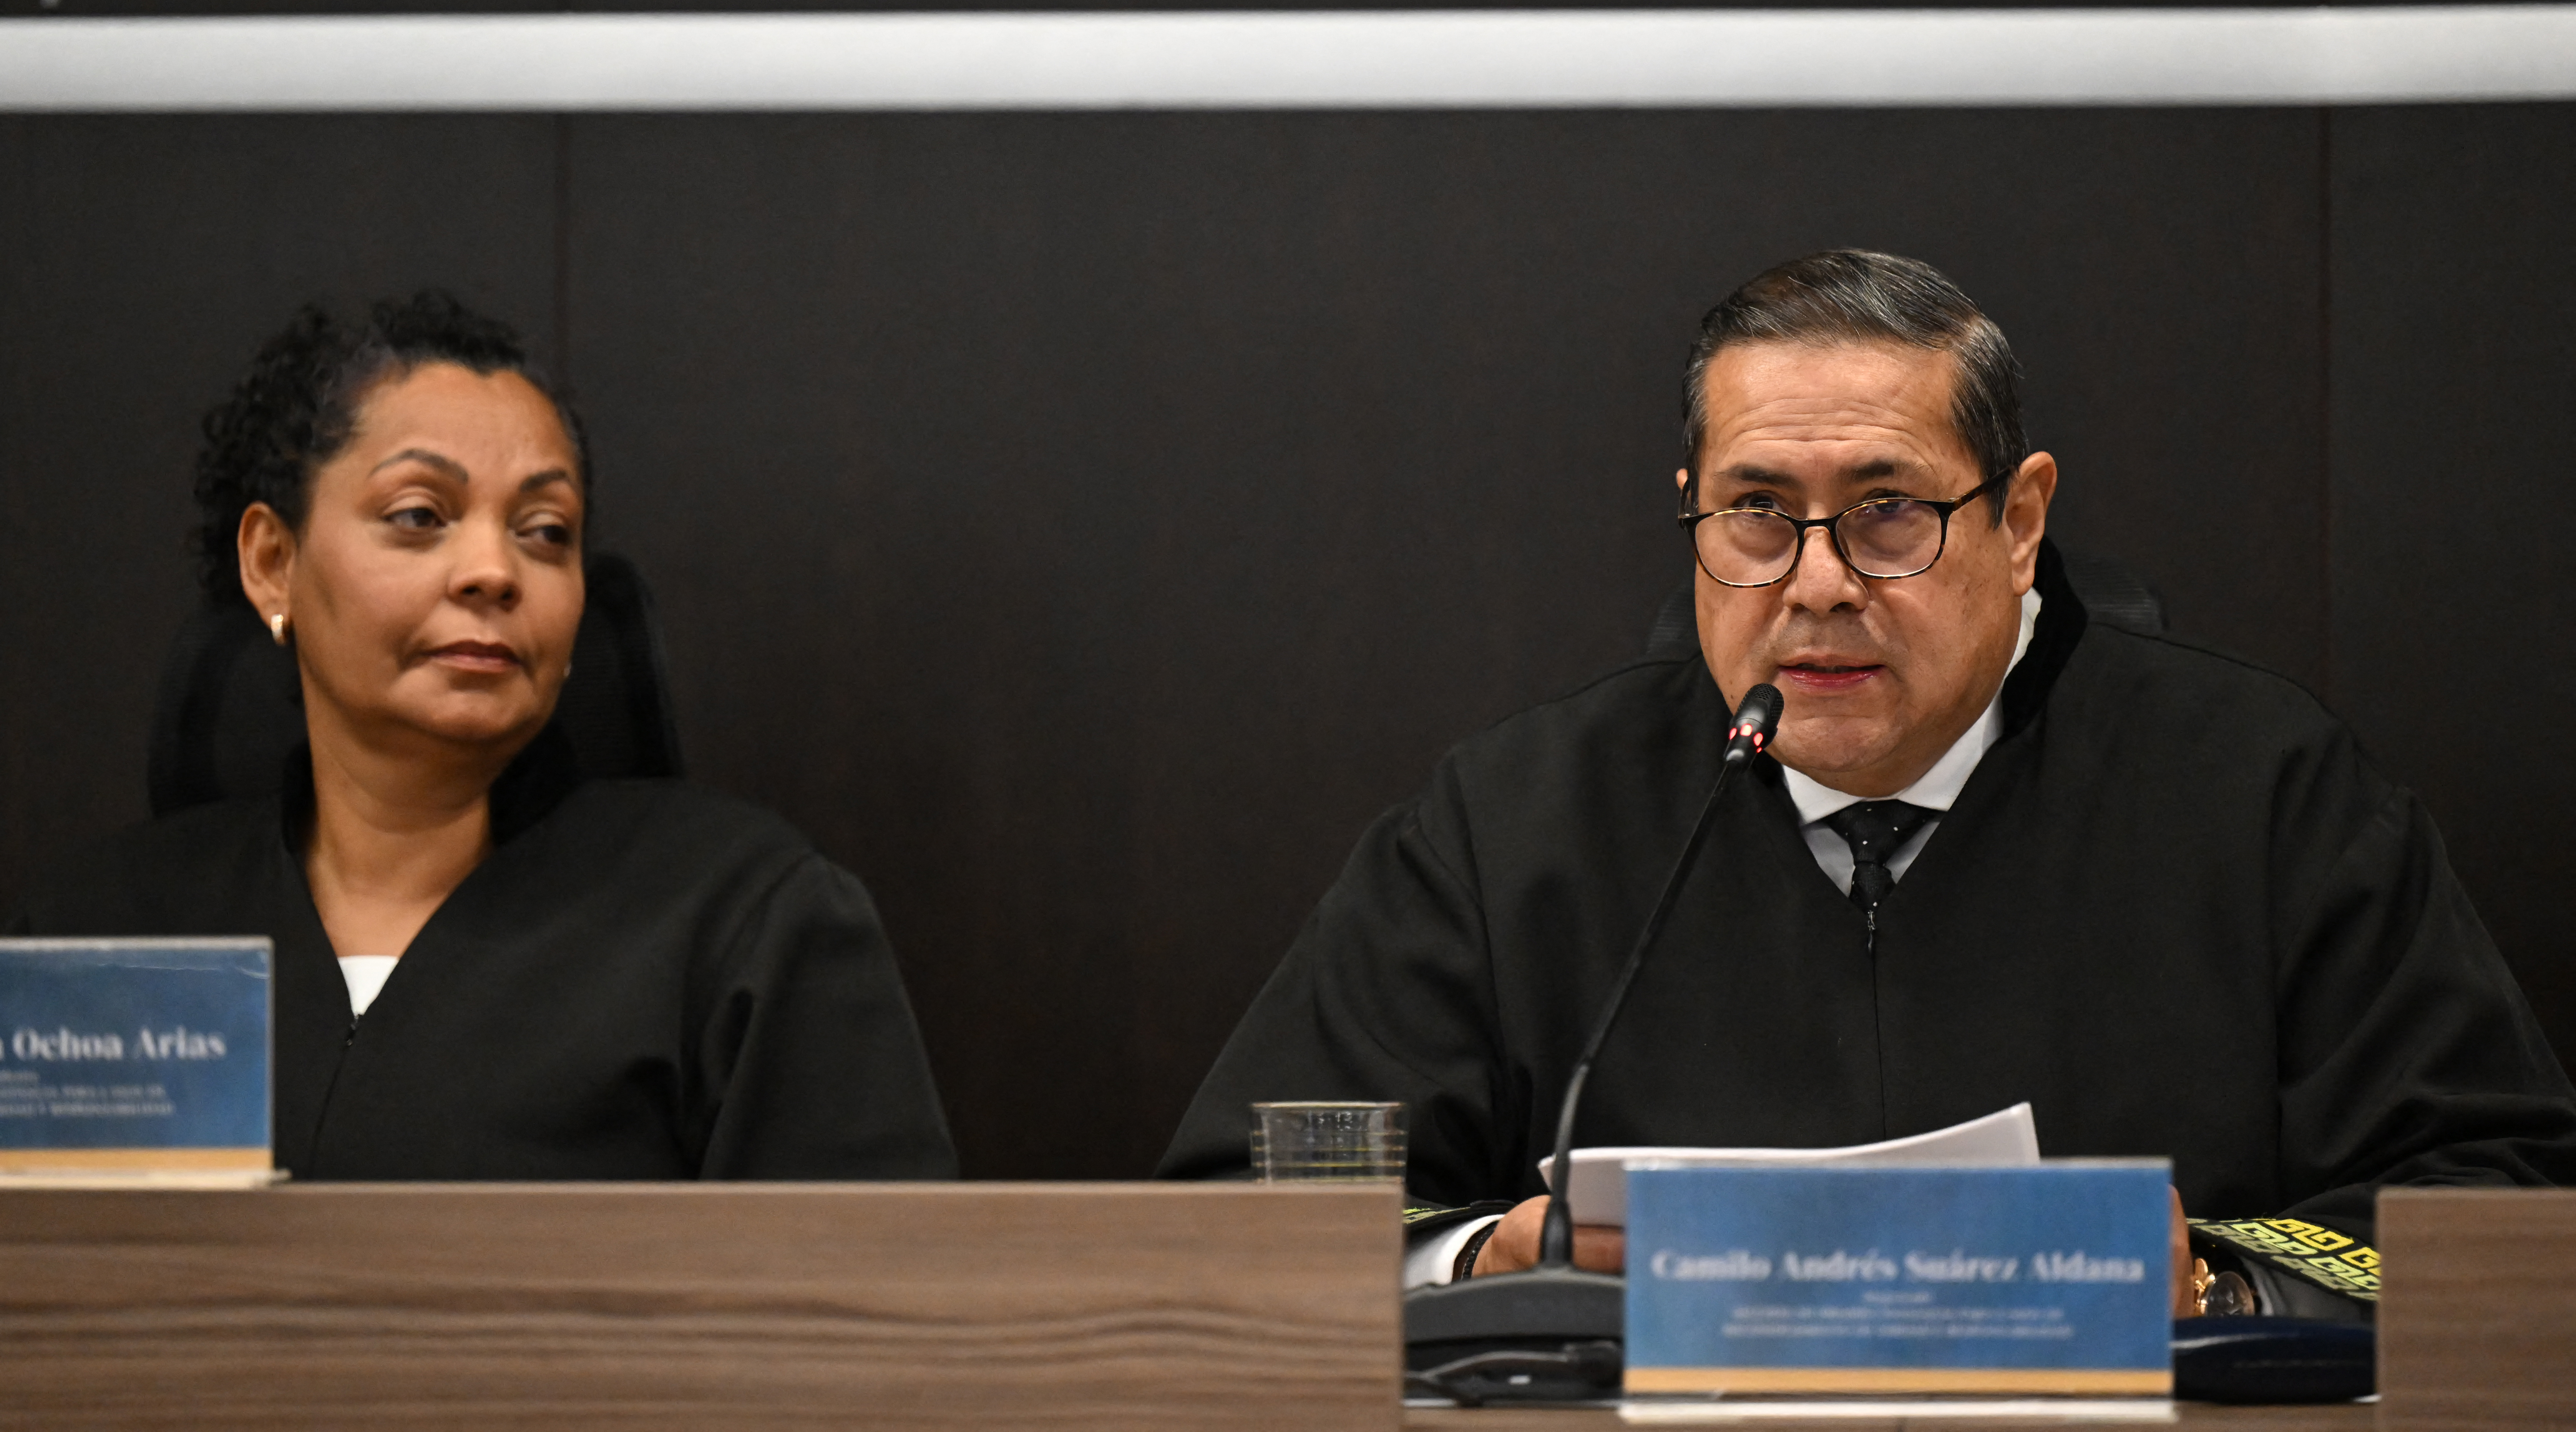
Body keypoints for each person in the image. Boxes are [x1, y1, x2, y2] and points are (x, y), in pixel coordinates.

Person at [1157, 249, 2576, 1292]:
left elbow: (2497, 1197)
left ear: (2020, 522)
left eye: (1889, 511)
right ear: (1693, 514)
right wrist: (1490, 1259)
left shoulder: (2268, 794)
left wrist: (2216, 1280)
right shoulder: (1515, 820)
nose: (1819, 582)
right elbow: (1249, 1209)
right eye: (1758, 513)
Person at [8, 292, 955, 1182]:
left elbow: (871, 1292)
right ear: (273, 563)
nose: (494, 572)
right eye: (419, 517)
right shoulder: (94, 938)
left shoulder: (742, 921)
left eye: (545, 532)